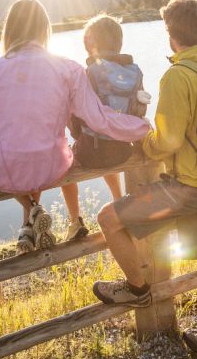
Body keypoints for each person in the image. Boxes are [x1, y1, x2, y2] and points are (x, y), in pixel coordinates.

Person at [93, 0, 197, 359]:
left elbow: (168, 140)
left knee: (108, 219)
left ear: (170, 33)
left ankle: (137, 289)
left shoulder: (177, 75)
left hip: (186, 190)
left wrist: (144, 143)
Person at [0, 0, 150, 253]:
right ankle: (38, 215)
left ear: (9, 29)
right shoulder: (68, 69)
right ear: (44, 28)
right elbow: (98, 119)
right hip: (53, 166)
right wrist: (140, 126)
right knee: (50, 149)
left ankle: (31, 210)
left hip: (4, 170)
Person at [60, 14, 150, 241]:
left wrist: (77, 135)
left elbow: (76, 115)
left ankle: (75, 220)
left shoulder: (87, 72)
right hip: (123, 150)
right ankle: (119, 199)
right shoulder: (135, 71)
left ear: (90, 45)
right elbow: (139, 110)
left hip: (92, 152)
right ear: (118, 43)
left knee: (64, 157)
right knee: (106, 137)